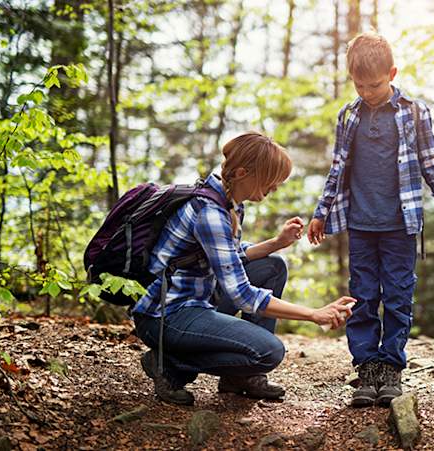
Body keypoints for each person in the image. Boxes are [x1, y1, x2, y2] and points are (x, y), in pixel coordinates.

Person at [132, 131, 355, 405]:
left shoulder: (229, 202)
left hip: (198, 299)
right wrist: (313, 314)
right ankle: (170, 364)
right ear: (242, 173)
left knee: (272, 267)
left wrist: (277, 242)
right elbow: (243, 295)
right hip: (167, 315)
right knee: (268, 352)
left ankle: (239, 377)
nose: (275, 187)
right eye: (270, 180)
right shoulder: (210, 212)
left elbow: (232, 257)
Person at [307, 32, 434, 407]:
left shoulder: (413, 112)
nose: (367, 91)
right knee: (362, 295)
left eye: (375, 84)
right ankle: (366, 367)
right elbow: (338, 169)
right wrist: (321, 212)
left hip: (400, 226)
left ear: (392, 73)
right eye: (359, 85)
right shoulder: (348, 116)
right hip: (360, 225)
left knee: (396, 296)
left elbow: (432, 164)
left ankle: (390, 366)